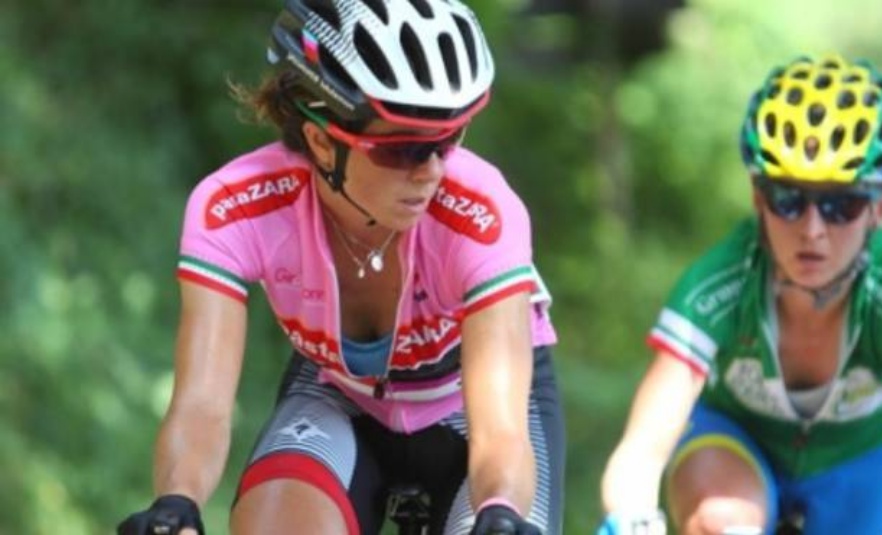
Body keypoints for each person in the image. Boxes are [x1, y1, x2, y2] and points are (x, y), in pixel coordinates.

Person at [117, 1, 564, 534]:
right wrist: (177, 504)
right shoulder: (237, 207)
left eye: (448, 140)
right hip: (337, 394)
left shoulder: (482, 212)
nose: (431, 171)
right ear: (322, 142)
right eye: (403, 150)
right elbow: (202, 404)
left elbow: (501, 430)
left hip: (474, 404)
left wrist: (500, 511)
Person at [597, 54, 882, 535]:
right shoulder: (721, 280)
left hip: (862, 463)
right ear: (758, 198)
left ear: (879, 208)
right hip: (735, 447)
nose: (812, 229)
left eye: (842, 204)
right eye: (788, 199)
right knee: (721, 523)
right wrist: (632, 519)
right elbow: (641, 450)